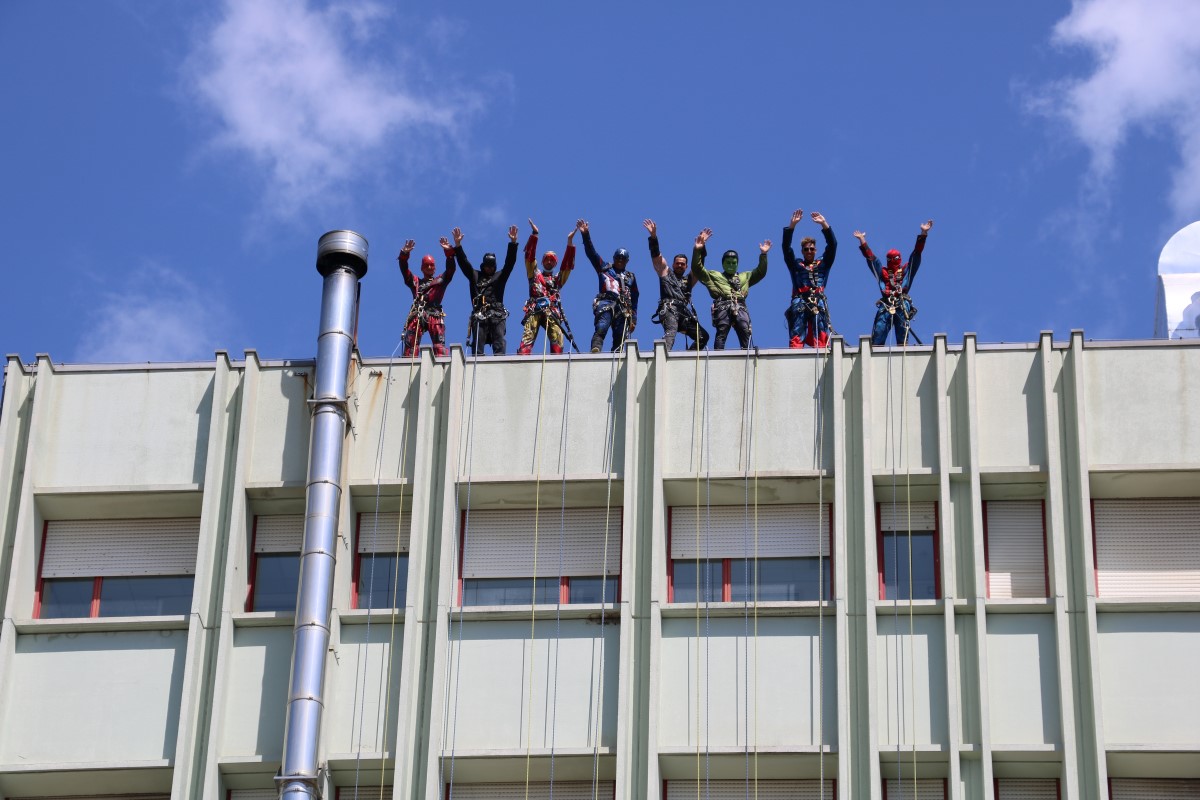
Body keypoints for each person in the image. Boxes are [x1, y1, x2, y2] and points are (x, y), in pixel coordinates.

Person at [854, 220, 934, 346]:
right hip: (886, 304)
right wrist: (862, 240)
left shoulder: (906, 270)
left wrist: (923, 233)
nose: (892, 261)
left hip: (902, 303)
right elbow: (871, 259)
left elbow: (916, 254)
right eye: (890, 259)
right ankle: (875, 353)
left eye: (894, 259)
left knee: (902, 333)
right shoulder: (883, 272)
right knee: (879, 331)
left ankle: (902, 351)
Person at [690, 228, 771, 350]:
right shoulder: (714, 275)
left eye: (734, 263)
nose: (731, 265)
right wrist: (697, 250)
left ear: (737, 264)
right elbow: (697, 269)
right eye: (728, 263)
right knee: (721, 332)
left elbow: (760, 272)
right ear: (723, 264)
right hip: (722, 306)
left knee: (745, 330)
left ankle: (747, 354)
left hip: (740, 307)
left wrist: (763, 255)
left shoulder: (745, 276)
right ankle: (718, 355)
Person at [644, 219, 709, 351]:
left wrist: (700, 249)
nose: (679, 265)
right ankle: (661, 357)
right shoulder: (665, 273)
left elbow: (698, 267)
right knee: (671, 333)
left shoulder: (689, 280)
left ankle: (690, 357)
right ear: (673, 264)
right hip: (670, 309)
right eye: (677, 263)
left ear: (686, 267)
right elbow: (657, 259)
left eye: (682, 264)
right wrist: (653, 237)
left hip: (683, 313)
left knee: (703, 337)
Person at [455, 224, 518, 355]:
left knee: (499, 342)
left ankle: (499, 361)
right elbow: (464, 263)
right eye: (487, 266)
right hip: (480, 314)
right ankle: (477, 361)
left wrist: (513, 243)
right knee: (478, 343)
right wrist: (458, 246)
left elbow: (509, 264)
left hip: (497, 314)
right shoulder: (475, 276)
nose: (489, 268)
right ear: (483, 266)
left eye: (491, 266)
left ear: (495, 267)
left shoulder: (500, 276)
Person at [578, 219, 639, 353]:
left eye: (623, 259)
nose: (620, 260)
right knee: (602, 326)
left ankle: (617, 356)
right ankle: (596, 349)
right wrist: (585, 235)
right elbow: (591, 253)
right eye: (618, 257)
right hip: (606, 301)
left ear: (627, 261)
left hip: (624, 307)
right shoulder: (604, 267)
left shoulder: (631, 277)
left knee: (620, 336)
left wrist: (634, 319)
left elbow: (635, 298)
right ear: (614, 257)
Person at [517, 219, 577, 355]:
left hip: (552, 310)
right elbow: (529, 258)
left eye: (552, 260)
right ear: (543, 261)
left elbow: (567, 267)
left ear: (555, 264)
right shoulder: (534, 274)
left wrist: (570, 243)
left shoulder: (557, 280)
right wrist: (535, 234)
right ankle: (522, 357)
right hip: (534, 308)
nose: (549, 261)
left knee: (557, 335)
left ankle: (557, 359)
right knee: (528, 334)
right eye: (547, 259)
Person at [781, 209, 837, 349]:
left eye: (812, 249)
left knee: (821, 328)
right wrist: (792, 226)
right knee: (797, 329)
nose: (809, 251)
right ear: (802, 251)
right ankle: (795, 352)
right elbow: (786, 249)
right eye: (806, 249)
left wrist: (824, 224)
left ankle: (822, 351)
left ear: (815, 250)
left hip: (818, 301)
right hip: (800, 301)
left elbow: (832, 245)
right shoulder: (796, 265)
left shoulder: (823, 264)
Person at [398, 236, 456, 357]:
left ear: (435, 268)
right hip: (418, 313)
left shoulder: (440, 281)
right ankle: (408, 361)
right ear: (422, 268)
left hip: (434, 313)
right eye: (426, 265)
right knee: (411, 342)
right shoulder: (416, 282)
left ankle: (441, 362)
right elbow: (405, 271)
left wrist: (449, 253)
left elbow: (450, 270)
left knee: (439, 344)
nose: (429, 267)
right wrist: (404, 255)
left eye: (431, 265)